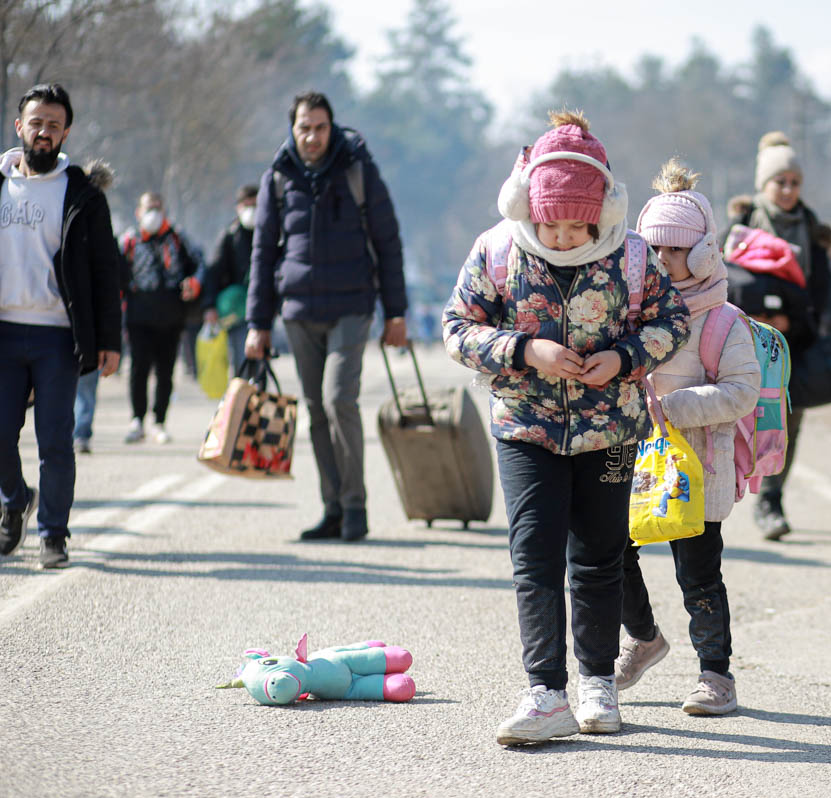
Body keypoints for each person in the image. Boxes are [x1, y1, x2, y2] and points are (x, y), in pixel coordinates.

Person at [443, 111, 690, 745]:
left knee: (600, 557)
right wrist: (525, 351)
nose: (559, 236)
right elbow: (457, 329)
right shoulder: (497, 249)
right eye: (549, 223)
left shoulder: (632, 256)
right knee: (534, 556)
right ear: (527, 206)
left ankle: (598, 684)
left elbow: (673, 322)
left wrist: (625, 358)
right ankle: (545, 692)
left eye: (574, 225)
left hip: (611, 431)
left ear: (601, 214)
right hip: (525, 427)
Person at [616, 160, 759, 716]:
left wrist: (672, 408)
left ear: (702, 252)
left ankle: (715, 674)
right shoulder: (631, 312)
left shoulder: (723, 321)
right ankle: (643, 637)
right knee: (609, 551)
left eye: (675, 250)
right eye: (654, 249)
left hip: (698, 468)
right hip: (636, 463)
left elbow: (741, 391)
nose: (663, 261)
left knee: (698, 574)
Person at [245, 91, 408, 542]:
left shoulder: (358, 169)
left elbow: (388, 241)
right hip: (298, 311)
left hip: (352, 306)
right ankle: (332, 508)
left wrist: (396, 313)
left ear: (331, 127)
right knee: (315, 409)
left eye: (320, 127)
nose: (312, 136)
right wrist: (257, 323)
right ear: (293, 129)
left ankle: (355, 507)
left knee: (339, 400)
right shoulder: (278, 177)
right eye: (304, 128)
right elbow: (262, 252)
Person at [0, 83, 121, 569]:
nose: (44, 132)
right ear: (20, 127)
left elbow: (106, 270)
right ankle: (15, 500)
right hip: (4, 331)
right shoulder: (0, 185)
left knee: (54, 440)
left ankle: (53, 534)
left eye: (54, 125)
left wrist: (109, 340)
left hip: (58, 335)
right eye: (36, 123)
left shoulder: (83, 194)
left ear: (66, 132)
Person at [725, 131, 831, 540]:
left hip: (794, 344)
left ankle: (771, 500)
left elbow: (820, 292)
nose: (788, 190)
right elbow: (719, 278)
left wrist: (795, 324)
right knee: (735, 417)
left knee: (787, 421)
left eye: (795, 182)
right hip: (742, 340)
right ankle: (723, 489)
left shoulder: (813, 230)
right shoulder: (742, 225)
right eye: (780, 181)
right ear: (763, 184)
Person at [118, 191, 203, 445]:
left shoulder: (177, 238)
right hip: (138, 315)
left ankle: (159, 421)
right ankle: (137, 419)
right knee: (139, 368)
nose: (153, 213)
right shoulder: (128, 241)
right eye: (149, 208)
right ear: (138, 212)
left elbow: (199, 265)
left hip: (171, 315)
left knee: (166, 370)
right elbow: (115, 272)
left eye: (157, 208)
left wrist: (193, 283)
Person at [203, 184, 257, 374]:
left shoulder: (271, 232)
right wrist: (210, 305)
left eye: (255, 205)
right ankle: (241, 392)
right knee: (241, 361)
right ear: (238, 207)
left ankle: (256, 392)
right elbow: (213, 272)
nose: (251, 210)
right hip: (236, 310)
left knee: (260, 363)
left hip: (262, 308)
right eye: (247, 205)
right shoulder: (229, 235)